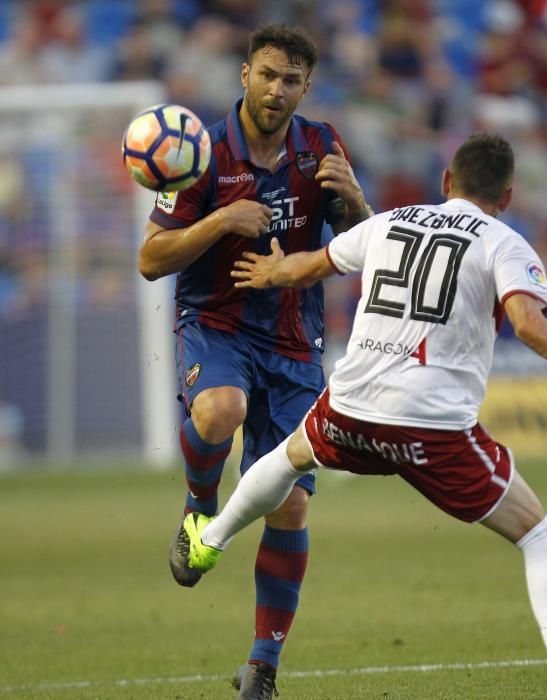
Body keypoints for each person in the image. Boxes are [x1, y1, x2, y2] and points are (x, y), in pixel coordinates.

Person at [174, 133, 547, 699]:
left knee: (288, 458)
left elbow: (316, 263)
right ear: (506, 195)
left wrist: (274, 274)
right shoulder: (505, 244)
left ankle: (211, 538)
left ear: (446, 182)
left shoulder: (391, 221)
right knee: (540, 535)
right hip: (432, 428)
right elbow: (528, 324)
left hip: (351, 408)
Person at [137, 24, 373, 700]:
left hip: (296, 345)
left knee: (290, 511)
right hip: (216, 326)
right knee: (221, 408)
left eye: (290, 79)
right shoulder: (199, 152)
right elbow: (150, 260)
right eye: (267, 74)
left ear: (304, 87)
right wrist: (217, 222)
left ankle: (262, 667)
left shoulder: (321, 145)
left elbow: (364, 246)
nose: (277, 89)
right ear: (244, 74)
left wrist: (356, 203)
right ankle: (197, 505)